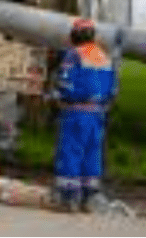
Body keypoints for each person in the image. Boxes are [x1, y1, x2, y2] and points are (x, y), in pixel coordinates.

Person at [50, 18, 118, 212]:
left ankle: (69, 197)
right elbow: (113, 89)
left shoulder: (74, 55)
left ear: (75, 36)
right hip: (97, 113)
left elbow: (66, 84)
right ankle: (89, 197)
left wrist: (55, 95)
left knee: (71, 151)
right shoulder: (104, 56)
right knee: (91, 153)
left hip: (76, 112)